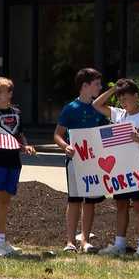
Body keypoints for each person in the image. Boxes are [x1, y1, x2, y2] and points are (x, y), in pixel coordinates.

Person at [93, 79, 139, 256]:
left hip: (137, 168)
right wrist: (114, 89)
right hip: (119, 168)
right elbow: (96, 104)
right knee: (121, 205)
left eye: (126, 98)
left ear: (136, 96)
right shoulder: (119, 114)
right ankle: (120, 244)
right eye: (121, 100)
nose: (123, 102)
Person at [0, 77, 36, 256]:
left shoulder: (16, 113)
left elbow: (19, 136)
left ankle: (0, 242)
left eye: (0, 91)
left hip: (13, 163)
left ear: (10, 94)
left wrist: (26, 146)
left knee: (4, 202)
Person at [53, 68, 109, 253]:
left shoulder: (99, 109)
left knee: (90, 201)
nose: (100, 87)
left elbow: (105, 133)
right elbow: (58, 135)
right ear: (85, 86)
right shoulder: (71, 108)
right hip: (75, 161)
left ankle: (85, 240)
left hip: (94, 161)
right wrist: (65, 146)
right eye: (97, 84)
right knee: (74, 200)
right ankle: (70, 241)